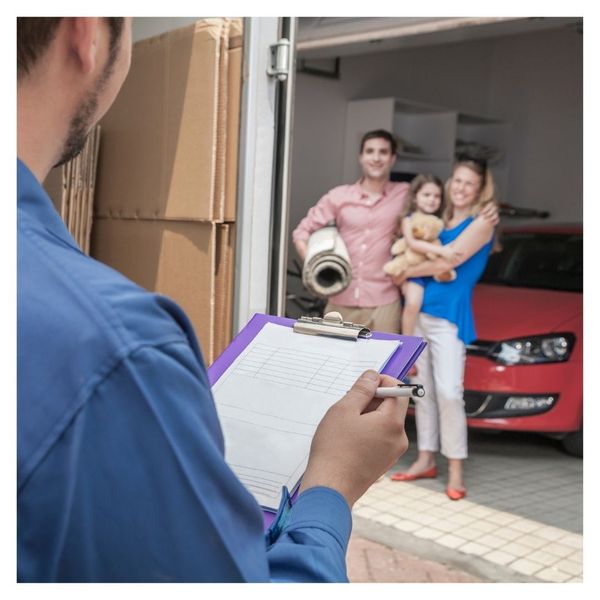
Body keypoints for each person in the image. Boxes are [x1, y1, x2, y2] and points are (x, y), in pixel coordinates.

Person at [17, 17, 410, 582]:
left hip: (385, 297)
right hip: (344, 295)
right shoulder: (121, 348)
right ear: (87, 35)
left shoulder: (404, 196)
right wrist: (331, 484)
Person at [389, 157, 498, 500]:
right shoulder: (438, 220)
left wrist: (405, 273)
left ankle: (455, 469)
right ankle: (425, 460)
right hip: (420, 312)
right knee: (422, 391)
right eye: (458, 180)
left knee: (450, 392)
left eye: (470, 183)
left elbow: (450, 260)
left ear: (480, 189)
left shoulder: (482, 222)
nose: (461, 187)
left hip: (450, 317)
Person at [292, 130, 409, 333]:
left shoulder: (405, 194)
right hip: (340, 299)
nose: (376, 158)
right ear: (361, 157)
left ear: (392, 159)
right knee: (335, 362)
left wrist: (483, 205)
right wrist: (316, 270)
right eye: (370, 151)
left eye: (383, 152)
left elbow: (442, 202)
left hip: (384, 301)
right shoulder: (338, 196)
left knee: (384, 364)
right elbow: (301, 233)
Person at [394, 174, 462, 340]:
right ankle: (407, 342)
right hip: (412, 268)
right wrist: (441, 251)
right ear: (415, 197)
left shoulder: (439, 222)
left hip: (430, 271)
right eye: (426, 195)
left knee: (424, 310)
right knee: (413, 303)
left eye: (437, 196)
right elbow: (413, 243)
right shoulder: (407, 219)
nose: (432, 200)